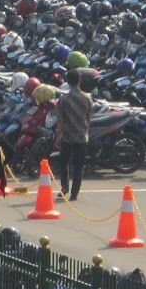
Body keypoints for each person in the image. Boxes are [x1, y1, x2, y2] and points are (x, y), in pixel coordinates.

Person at [53, 68, 92, 201]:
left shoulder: (64, 99)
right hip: (82, 136)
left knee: (64, 163)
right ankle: (74, 193)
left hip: (67, 137)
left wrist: (58, 137)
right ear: (79, 81)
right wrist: (86, 133)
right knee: (78, 166)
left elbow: (61, 120)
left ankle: (65, 187)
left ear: (68, 82)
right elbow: (88, 119)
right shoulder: (87, 98)